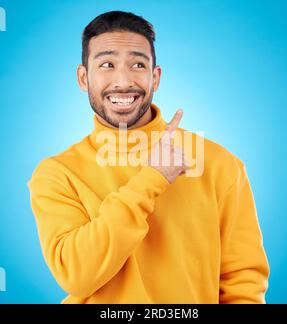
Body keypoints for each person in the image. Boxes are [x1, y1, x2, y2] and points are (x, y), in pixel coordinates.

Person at [28, 10, 269, 304]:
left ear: (155, 77)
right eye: (106, 64)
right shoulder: (57, 174)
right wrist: (151, 179)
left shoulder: (219, 164)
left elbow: (243, 282)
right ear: (83, 78)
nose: (123, 80)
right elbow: (76, 274)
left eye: (138, 64)